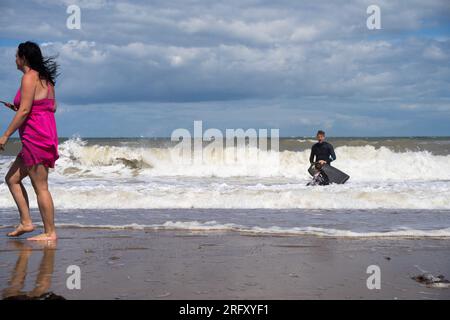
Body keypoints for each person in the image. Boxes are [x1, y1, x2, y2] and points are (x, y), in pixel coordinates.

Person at [0, 41, 59, 241]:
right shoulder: (46, 80)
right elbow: (50, 107)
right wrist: (20, 109)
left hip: (36, 136)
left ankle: (50, 233)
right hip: (44, 133)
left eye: (16, 55)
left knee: (41, 186)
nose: (14, 59)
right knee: (12, 179)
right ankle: (26, 222)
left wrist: (6, 135)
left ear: (23, 58)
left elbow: (26, 110)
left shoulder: (29, 77)